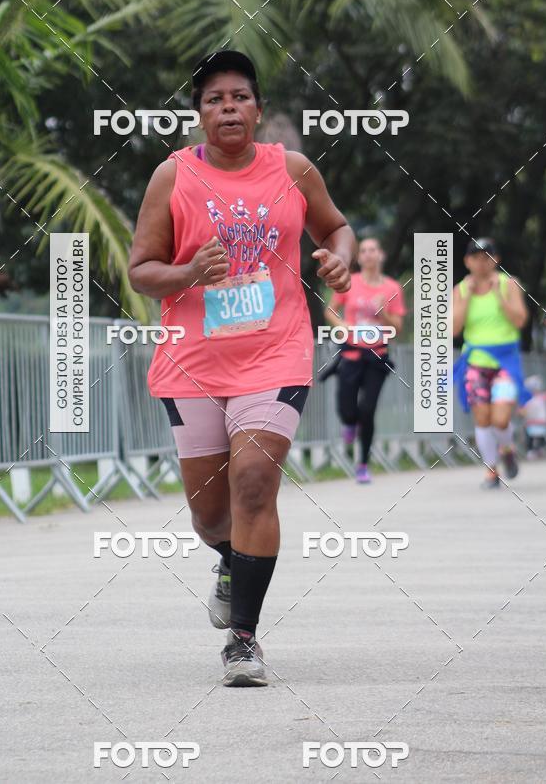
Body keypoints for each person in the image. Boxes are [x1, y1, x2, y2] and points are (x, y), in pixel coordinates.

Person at [128, 50, 356, 686]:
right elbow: (141, 269)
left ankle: (243, 640)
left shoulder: (294, 170)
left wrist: (338, 259)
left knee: (254, 482)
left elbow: (336, 229)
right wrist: (187, 272)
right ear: (199, 114)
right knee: (209, 514)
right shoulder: (171, 178)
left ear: (258, 109)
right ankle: (231, 561)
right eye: (213, 99)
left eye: (239, 96)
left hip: (275, 351)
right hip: (193, 358)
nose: (227, 107)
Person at [324, 237, 406, 483]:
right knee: (347, 410)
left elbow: (398, 327)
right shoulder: (350, 283)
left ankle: (362, 464)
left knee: (368, 411)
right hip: (350, 354)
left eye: (373, 250)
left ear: (380, 255)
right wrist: (342, 325)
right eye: (364, 251)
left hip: (377, 357)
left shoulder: (392, 288)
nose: (369, 255)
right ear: (359, 258)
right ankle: (350, 424)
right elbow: (330, 310)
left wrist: (383, 314)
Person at [453, 237, 530, 488]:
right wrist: (467, 296)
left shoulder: (510, 284)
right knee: (482, 418)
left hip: (505, 363)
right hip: (475, 362)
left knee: (500, 419)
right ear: (467, 262)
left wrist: (498, 295)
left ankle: (507, 448)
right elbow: (454, 329)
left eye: (487, 257)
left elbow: (519, 321)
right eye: (476, 257)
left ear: (496, 259)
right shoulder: (461, 290)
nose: (481, 262)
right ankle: (491, 470)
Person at [520, 375, 546, 459]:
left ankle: (536, 450)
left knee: (540, 437)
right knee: (534, 438)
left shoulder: (538, 398)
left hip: (538, 422)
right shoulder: (528, 399)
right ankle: (534, 451)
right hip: (532, 423)